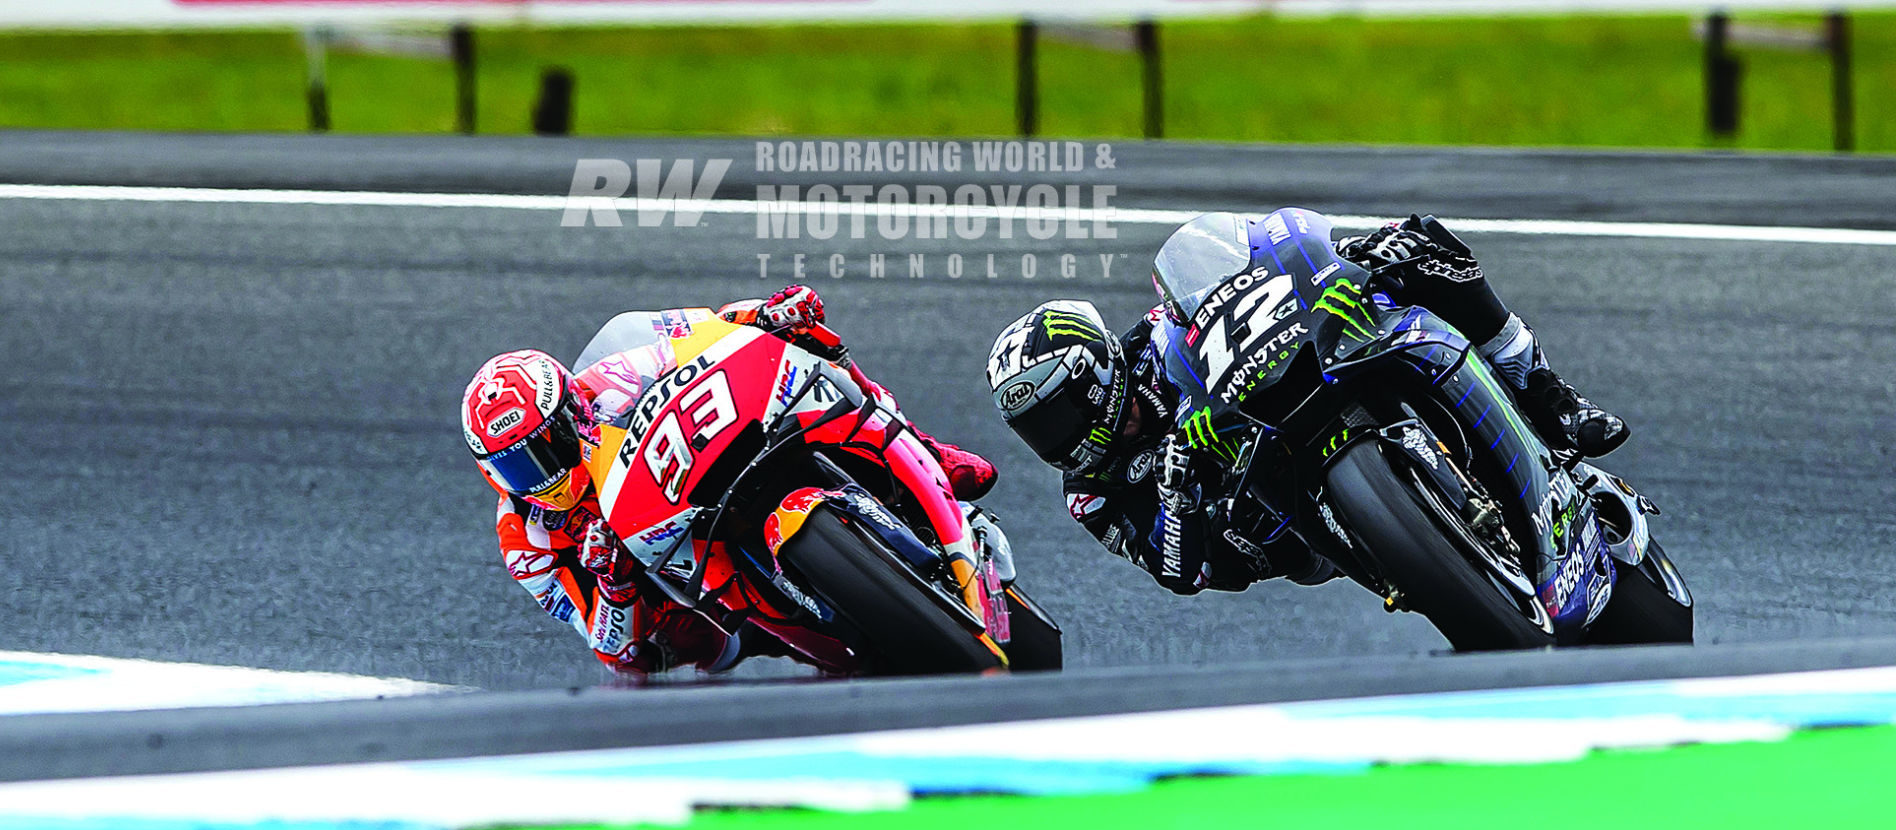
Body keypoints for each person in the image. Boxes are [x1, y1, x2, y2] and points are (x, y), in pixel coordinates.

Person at [984, 213, 1629, 596]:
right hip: (1269, 527)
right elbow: (1178, 572)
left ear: (1094, 371)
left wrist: (1328, 266)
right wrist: (1180, 489)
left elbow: (1229, 294)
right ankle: (1420, 558)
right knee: (1258, 545)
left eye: (1059, 414)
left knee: (1413, 244)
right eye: (1036, 431)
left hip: (1293, 396)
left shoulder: (1154, 341)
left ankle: (1545, 392)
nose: (1059, 439)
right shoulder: (1091, 490)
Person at [463, 286, 998, 676]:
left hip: (705, 459)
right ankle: (823, 632)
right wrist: (614, 584)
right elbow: (613, 650)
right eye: (519, 466)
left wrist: (766, 313)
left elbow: (708, 330)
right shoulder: (526, 540)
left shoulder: (611, 375)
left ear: (571, 410)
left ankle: (925, 451)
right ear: (493, 473)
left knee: (810, 345)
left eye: (548, 445)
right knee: (677, 645)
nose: (546, 474)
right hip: (679, 587)